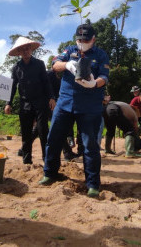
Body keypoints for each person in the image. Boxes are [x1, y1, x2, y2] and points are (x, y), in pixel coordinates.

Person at [39, 23, 109, 198]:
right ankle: (49, 173)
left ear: (93, 39)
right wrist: (67, 65)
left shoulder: (101, 55)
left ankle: (92, 184)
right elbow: (55, 64)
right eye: (79, 39)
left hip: (89, 106)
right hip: (65, 103)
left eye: (85, 40)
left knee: (90, 146)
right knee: (53, 139)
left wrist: (94, 83)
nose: (82, 42)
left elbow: (104, 77)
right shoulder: (69, 50)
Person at [5, 37, 55, 164]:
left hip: (41, 102)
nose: (26, 51)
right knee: (26, 133)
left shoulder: (39, 64)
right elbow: (12, 86)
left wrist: (51, 98)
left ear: (31, 50)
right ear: (19, 52)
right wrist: (8, 103)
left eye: (28, 48)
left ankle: (46, 160)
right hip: (25, 104)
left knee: (43, 131)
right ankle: (27, 161)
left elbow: (46, 82)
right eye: (23, 49)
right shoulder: (16, 67)